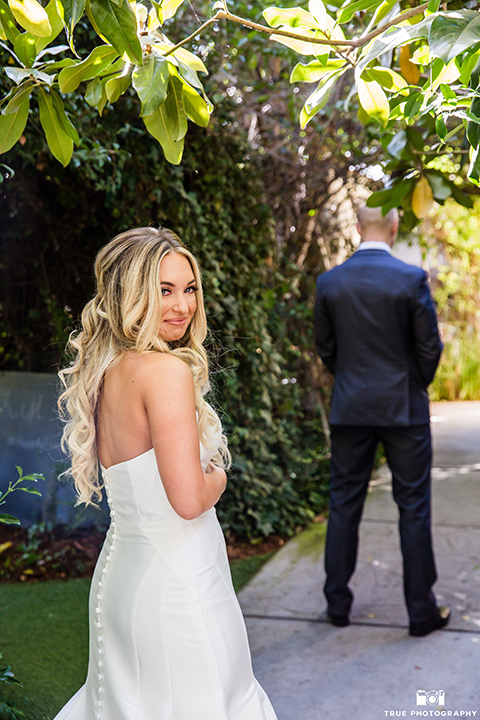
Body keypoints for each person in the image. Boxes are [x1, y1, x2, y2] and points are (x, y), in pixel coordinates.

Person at [54, 227, 278, 720]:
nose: (182, 305)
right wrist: (216, 472)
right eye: (165, 290)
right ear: (131, 294)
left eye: (190, 288)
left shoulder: (109, 368)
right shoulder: (165, 372)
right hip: (179, 584)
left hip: (122, 577)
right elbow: (189, 499)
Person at [314, 205, 449, 637]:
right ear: (394, 227)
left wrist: (351, 381)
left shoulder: (330, 282)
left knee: (343, 504)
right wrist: (413, 384)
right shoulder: (411, 278)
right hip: (404, 409)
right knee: (413, 509)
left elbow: (326, 347)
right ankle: (421, 613)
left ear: (356, 227)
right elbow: (430, 347)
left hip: (351, 407)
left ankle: (337, 605)